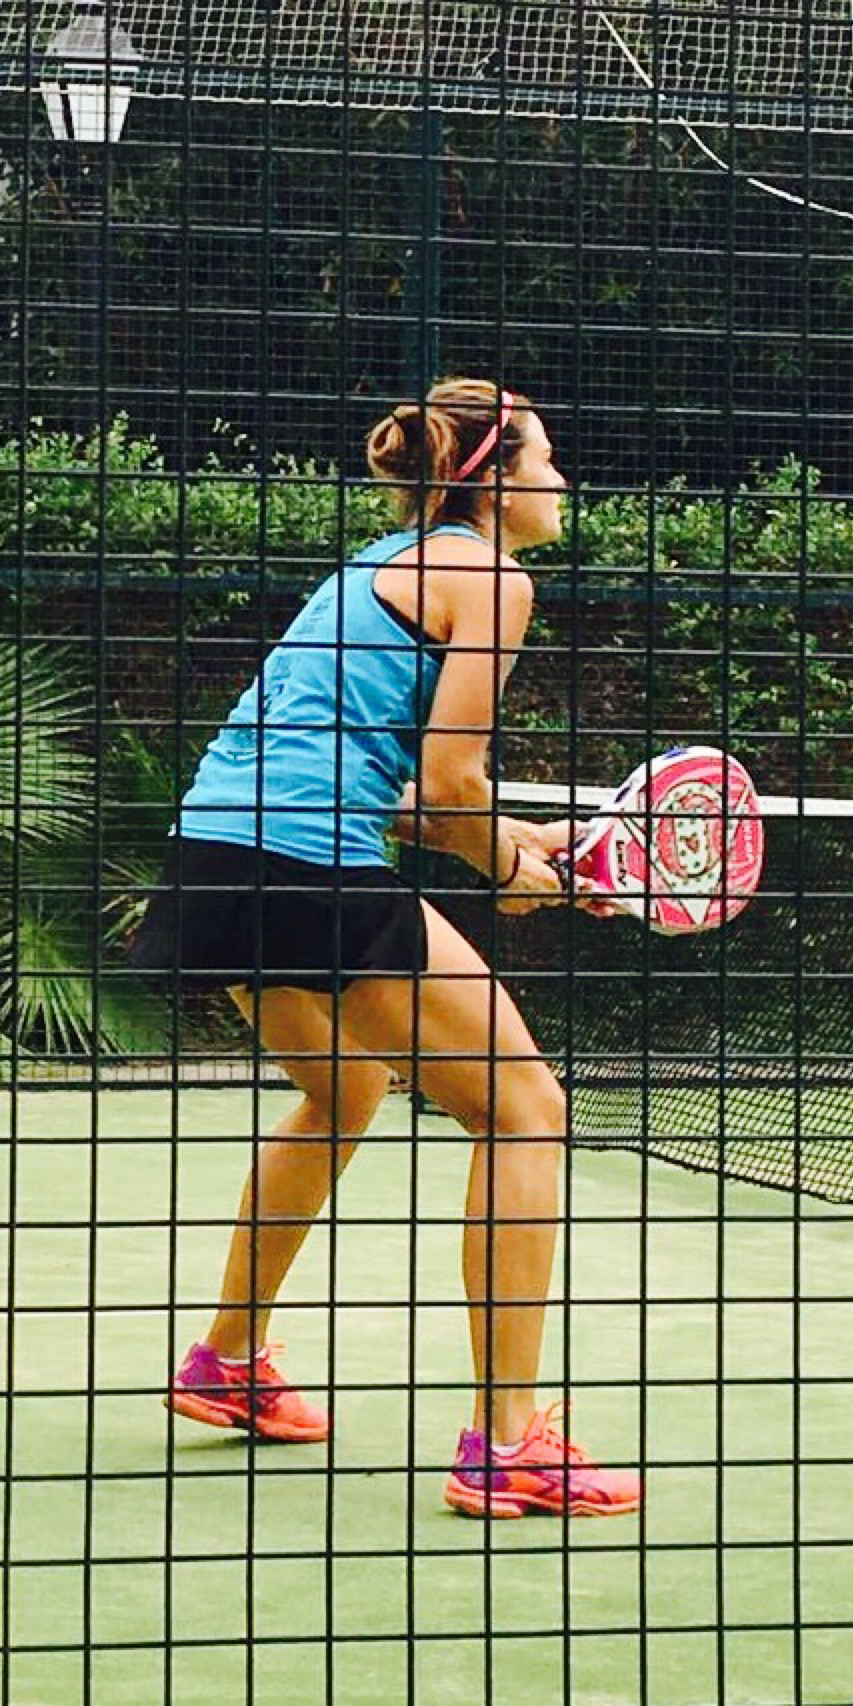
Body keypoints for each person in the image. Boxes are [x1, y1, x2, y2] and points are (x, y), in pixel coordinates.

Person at [131, 377, 641, 1518]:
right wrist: (501, 868)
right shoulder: (492, 579)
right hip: (305, 868)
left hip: (212, 858)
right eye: (545, 459)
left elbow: (389, 787)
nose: (560, 479)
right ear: (492, 481)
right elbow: (451, 784)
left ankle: (226, 1361)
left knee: (346, 1087)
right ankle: (506, 1441)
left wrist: (519, 841)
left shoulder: (369, 570)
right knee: (525, 1108)